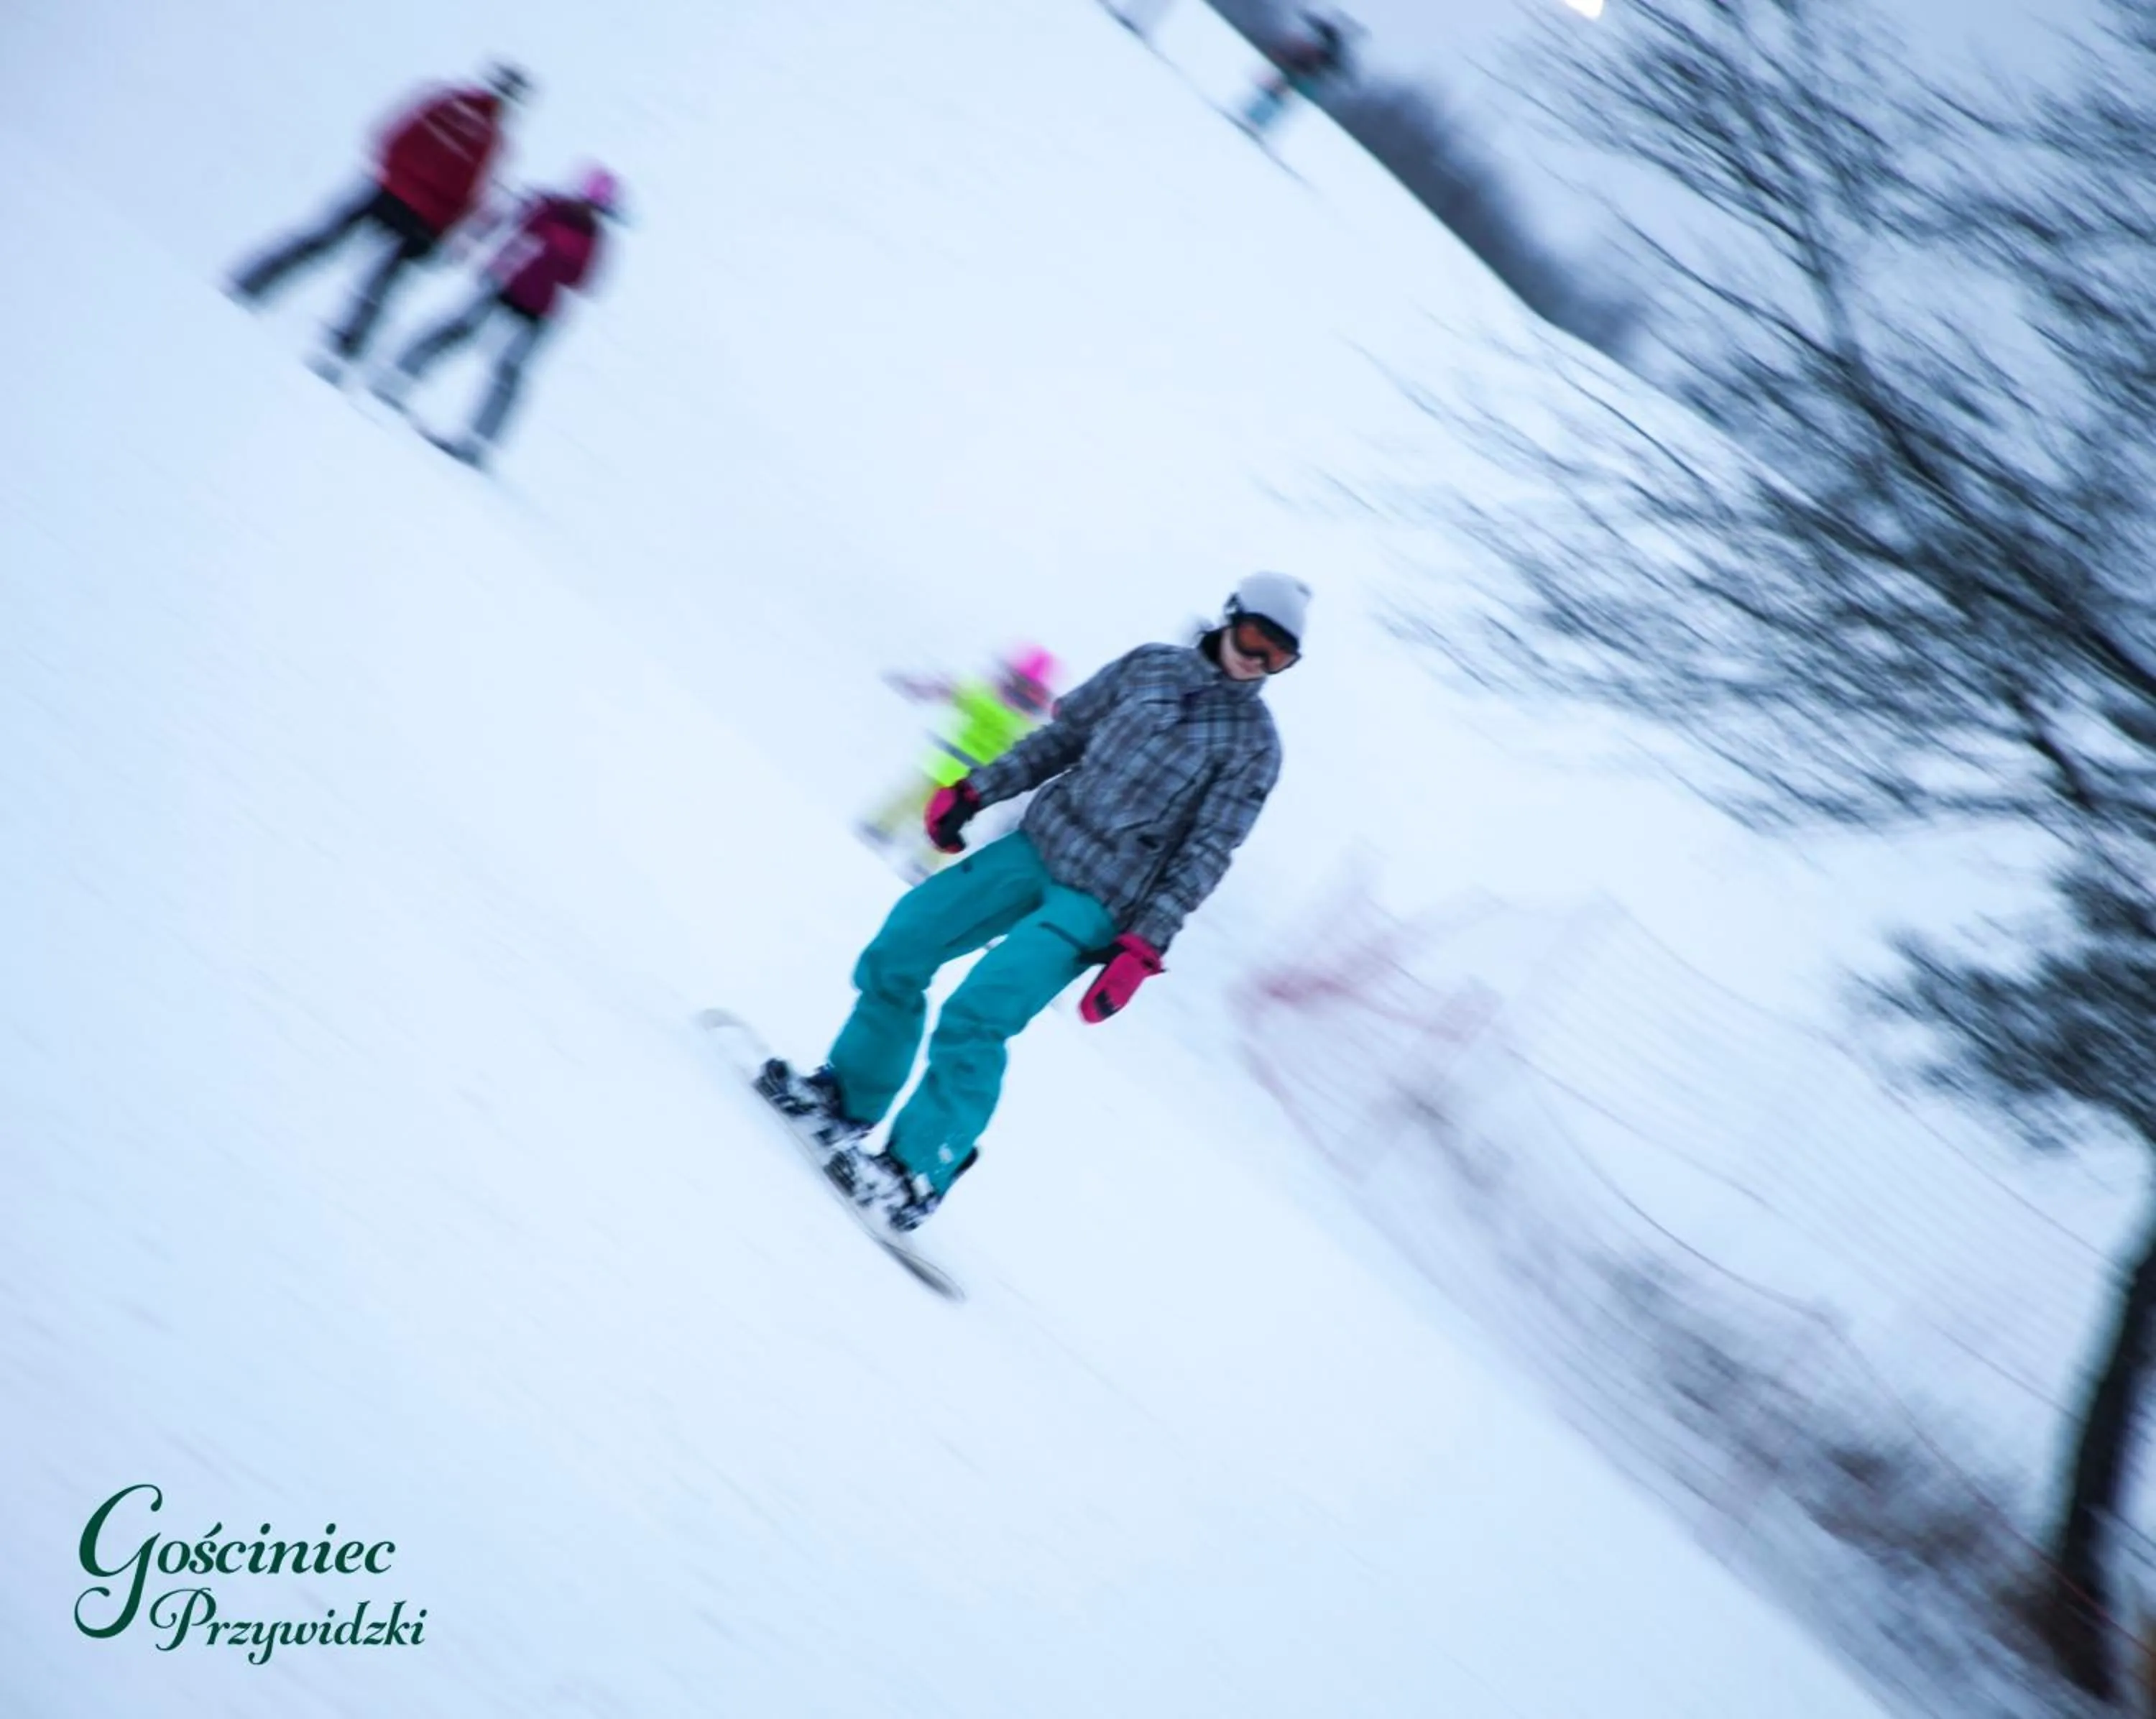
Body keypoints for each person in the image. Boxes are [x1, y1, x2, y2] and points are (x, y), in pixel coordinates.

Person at [760, 573, 1312, 1232]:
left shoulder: (1254, 746)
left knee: (979, 1011)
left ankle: (918, 1169)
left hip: (1101, 898)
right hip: (1040, 845)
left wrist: (1144, 946)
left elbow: (1207, 850)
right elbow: (1062, 740)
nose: (1257, 659)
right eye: (1254, 637)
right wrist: (976, 791)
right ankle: (850, 1095)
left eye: (1278, 655)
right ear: (1232, 619)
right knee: (904, 943)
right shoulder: (1149, 667)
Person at [229, 63, 529, 377]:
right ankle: (343, 350)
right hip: (420, 219)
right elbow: (469, 195)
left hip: (385, 191)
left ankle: (252, 284)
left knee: (320, 243)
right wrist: (440, 232)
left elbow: (394, 136)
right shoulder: (491, 137)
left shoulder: (447, 101)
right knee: (380, 286)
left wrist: (394, 176)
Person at [372, 167, 621, 469]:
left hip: (539, 308)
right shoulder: (550, 206)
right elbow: (515, 222)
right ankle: (397, 376)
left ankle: (477, 441)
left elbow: (580, 280)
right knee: (455, 330)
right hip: (505, 283)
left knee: (509, 371)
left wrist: (554, 253)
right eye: (590, 205)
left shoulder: (593, 238)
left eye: (598, 210)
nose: (591, 213)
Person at [857, 646, 1058, 880]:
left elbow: (952, 691)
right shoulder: (1011, 710)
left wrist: (925, 688)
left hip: (965, 774)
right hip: (964, 772)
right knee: (930, 809)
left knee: (935, 811)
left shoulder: (1000, 704)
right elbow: (953, 691)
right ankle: (893, 836)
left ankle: (906, 847)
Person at [1242, 16, 1354, 137]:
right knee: (1274, 93)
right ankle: (1254, 118)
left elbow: (1337, 67)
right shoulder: (1330, 44)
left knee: (1276, 96)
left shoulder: (1332, 49)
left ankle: (1257, 121)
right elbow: (1320, 27)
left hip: (1302, 74)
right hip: (1298, 70)